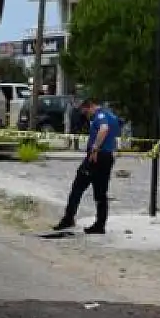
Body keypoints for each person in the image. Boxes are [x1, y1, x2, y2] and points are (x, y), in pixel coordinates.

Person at [53, 97, 119, 235]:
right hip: (107, 157)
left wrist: (95, 148)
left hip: (96, 157)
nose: (86, 115)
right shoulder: (111, 115)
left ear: (90, 107)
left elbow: (104, 129)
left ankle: (68, 218)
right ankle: (100, 224)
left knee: (78, 187)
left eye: (86, 112)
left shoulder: (100, 116)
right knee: (101, 193)